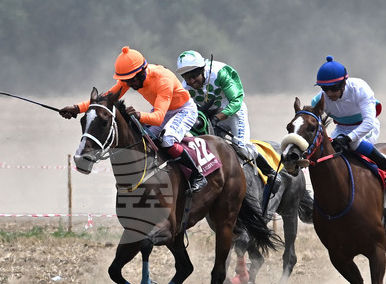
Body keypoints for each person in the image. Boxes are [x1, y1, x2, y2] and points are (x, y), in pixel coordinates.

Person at [59, 46, 206, 193]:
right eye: (126, 81)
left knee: (167, 139)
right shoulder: (130, 78)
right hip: (164, 109)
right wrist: (76, 108)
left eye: (132, 80)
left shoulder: (163, 79)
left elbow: (159, 117)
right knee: (143, 137)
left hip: (183, 110)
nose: (129, 84)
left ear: (142, 71)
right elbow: (104, 100)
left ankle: (197, 175)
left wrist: (139, 115)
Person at [175, 50, 279, 181]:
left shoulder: (220, 73)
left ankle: (271, 173)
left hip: (233, 113)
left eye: (194, 75)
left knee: (241, 148)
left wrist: (218, 117)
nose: (191, 81)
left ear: (202, 69)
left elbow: (237, 101)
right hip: (211, 119)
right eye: (186, 77)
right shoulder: (185, 89)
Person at [311, 55, 386, 188]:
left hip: (366, 127)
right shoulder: (318, 100)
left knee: (354, 144)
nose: (329, 94)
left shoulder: (360, 89)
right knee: (326, 151)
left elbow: (369, 122)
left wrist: (348, 139)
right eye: (324, 89)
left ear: (343, 84)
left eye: (334, 88)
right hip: (341, 129)